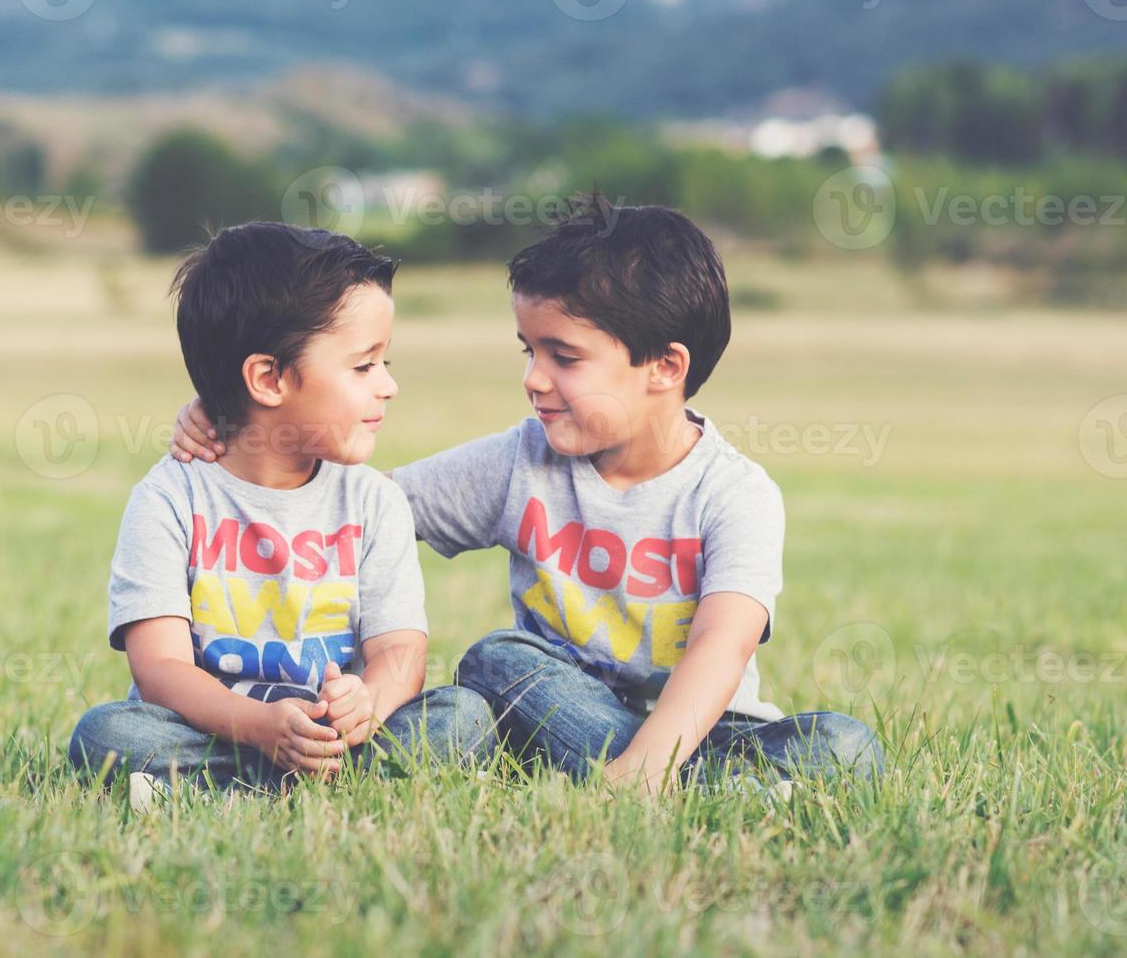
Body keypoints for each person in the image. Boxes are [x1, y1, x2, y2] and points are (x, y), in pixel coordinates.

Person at [169, 196, 883, 796]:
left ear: (665, 367)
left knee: (845, 746)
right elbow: (357, 509)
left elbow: (719, 654)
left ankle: (665, 776)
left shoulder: (734, 494)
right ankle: (711, 786)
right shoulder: (522, 461)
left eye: (563, 357)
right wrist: (239, 425)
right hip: (555, 707)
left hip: (707, 724)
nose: (534, 379)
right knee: (498, 662)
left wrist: (644, 768)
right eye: (528, 351)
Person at [68, 223, 495, 800]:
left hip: (340, 737)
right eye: (364, 366)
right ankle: (310, 785)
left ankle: (232, 791)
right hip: (220, 732)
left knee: (463, 717)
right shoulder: (170, 499)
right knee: (107, 735)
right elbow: (160, 669)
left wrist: (367, 705)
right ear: (268, 378)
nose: (389, 385)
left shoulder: (373, 502)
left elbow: (400, 653)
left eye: (384, 362)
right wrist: (260, 727)